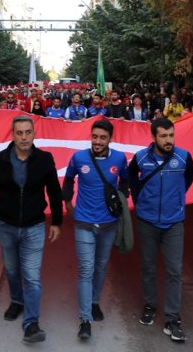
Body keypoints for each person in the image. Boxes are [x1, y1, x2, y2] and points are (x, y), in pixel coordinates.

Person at [0, 115, 63, 343]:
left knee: (31, 276)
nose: (24, 137)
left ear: (34, 133)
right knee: (11, 270)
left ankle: (31, 323)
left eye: (28, 132)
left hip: (34, 227)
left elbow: (54, 192)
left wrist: (57, 221)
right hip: (6, 225)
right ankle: (17, 300)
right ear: (13, 134)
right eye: (19, 133)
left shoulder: (45, 159)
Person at [129, 118, 193, 342]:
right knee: (148, 267)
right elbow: (131, 178)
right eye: (163, 136)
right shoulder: (140, 158)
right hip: (147, 221)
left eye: (171, 135)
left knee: (174, 270)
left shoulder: (184, 157)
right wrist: (139, 200)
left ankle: (172, 318)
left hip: (174, 223)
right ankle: (149, 306)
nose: (168, 140)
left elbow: (190, 176)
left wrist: (178, 197)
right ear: (154, 137)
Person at [62, 120, 128, 340]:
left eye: (102, 137)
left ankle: (94, 301)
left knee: (100, 266)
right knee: (86, 270)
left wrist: (120, 200)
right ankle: (85, 319)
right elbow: (69, 180)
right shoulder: (78, 158)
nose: (97, 141)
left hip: (109, 224)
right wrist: (68, 205)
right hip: (84, 224)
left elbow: (125, 182)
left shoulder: (119, 159)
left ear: (110, 139)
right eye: (94, 137)